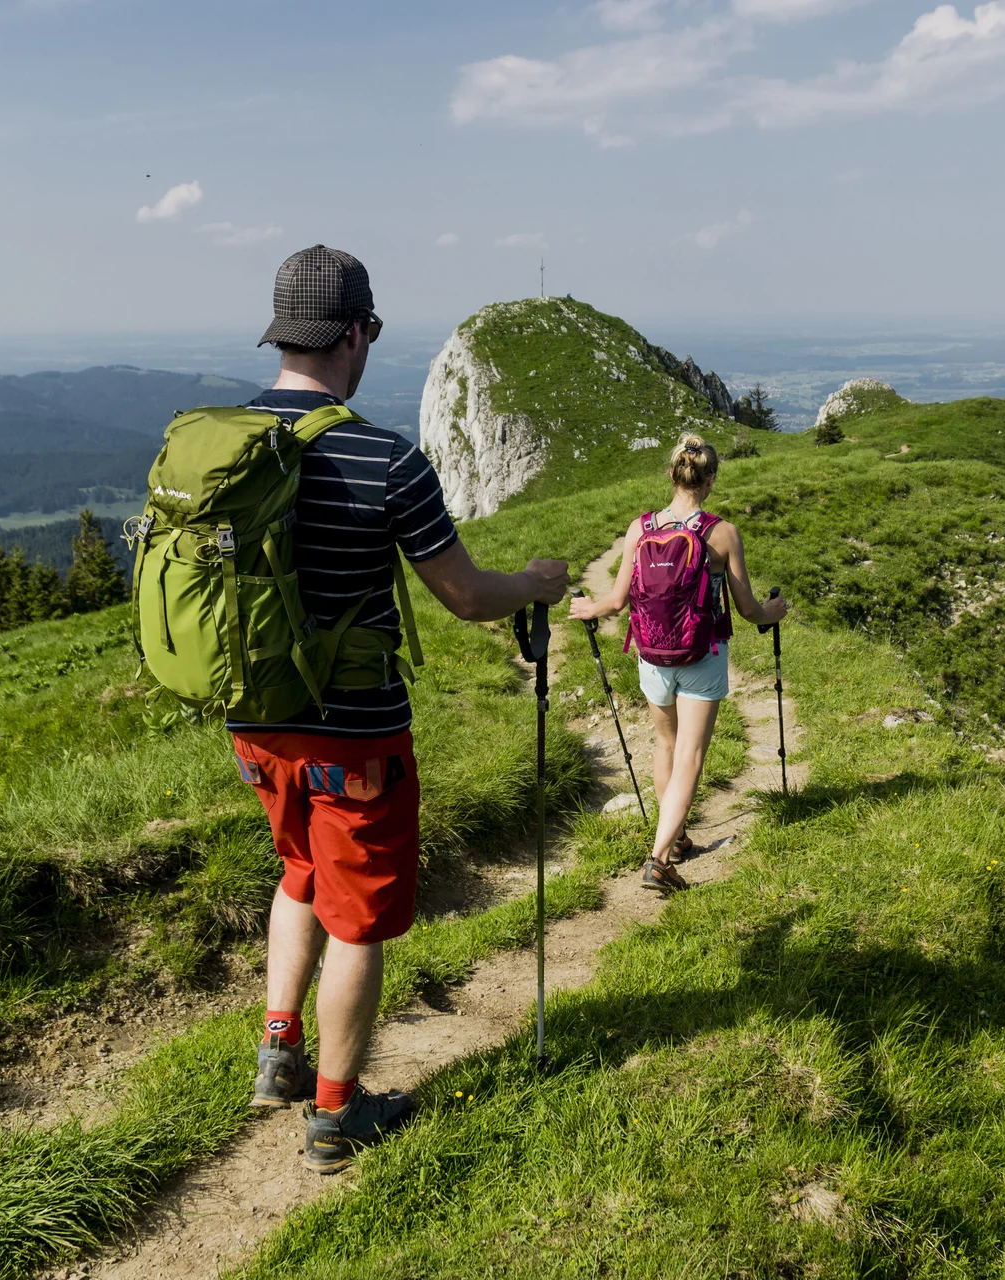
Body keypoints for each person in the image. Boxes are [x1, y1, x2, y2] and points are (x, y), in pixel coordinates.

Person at [234, 245, 568, 1172]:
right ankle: (337, 1117)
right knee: (358, 921)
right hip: (356, 738)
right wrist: (536, 583)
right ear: (353, 334)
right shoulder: (386, 458)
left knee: (299, 870)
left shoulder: (221, 448)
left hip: (254, 726)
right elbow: (463, 595)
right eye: (370, 330)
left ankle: (278, 1047)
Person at [569, 434, 787, 891]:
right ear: (709, 481)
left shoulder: (640, 528)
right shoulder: (720, 532)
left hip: (652, 656)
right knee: (691, 753)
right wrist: (774, 613)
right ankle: (659, 858)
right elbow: (747, 608)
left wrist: (591, 609)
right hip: (701, 655)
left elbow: (616, 600)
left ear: (671, 475)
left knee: (666, 746)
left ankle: (677, 836)